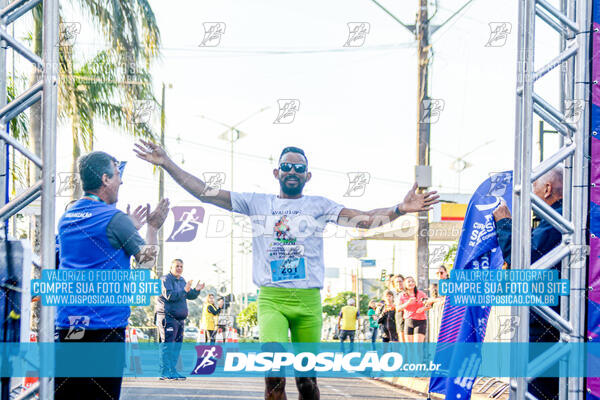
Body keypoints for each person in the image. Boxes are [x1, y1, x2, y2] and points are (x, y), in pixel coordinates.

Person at [134, 140, 438, 400]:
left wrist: (400, 208)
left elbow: (365, 218)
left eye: (298, 168)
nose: (292, 171)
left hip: (308, 303)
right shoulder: (257, 202)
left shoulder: (319, 205)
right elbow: (204, 192)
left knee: (307, 383)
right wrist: (168, 163)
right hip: (271, 300)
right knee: (274, 375)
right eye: (286, 167)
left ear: (307, 176)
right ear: (277, 173)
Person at [54, 151, 169, 400]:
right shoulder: (114, 220)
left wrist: (127, 228)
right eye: (117, 175)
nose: (121, 181)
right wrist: (152, 228)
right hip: (104, 328)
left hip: (69, 324)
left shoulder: (67, 217)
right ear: (105, 179)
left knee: (70, 395)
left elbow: (94, 248)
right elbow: (147, 261)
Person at [493, 165, 563, 400]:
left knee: (537, 390)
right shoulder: (561, 221)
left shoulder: (557, 223)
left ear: (547, 189)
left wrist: (504, 225)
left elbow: (523, 262)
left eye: (532, 188)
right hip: (551, 322)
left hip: (547, 326)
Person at [156, 259, 204, 380]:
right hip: (168, 317)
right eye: (177, 266)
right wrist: (185, 290)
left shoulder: (182, 280)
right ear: (171, 267)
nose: (179, 268)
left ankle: (173, 371)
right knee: (168, 345)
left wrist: (196, 290)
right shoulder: (165, 279)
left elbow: (188, 295)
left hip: (180, 319)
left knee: (176, 346)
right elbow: (170, 296)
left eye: (181, 266)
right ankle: (164, 372)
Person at [391, 274, 405, 342]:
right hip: (398, 317)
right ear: (394, 284)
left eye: (400, 281)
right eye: (397, 282)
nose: (399, 283)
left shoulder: (408, 291)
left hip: (409, 316)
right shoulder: (393, 293)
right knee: (401, 340)